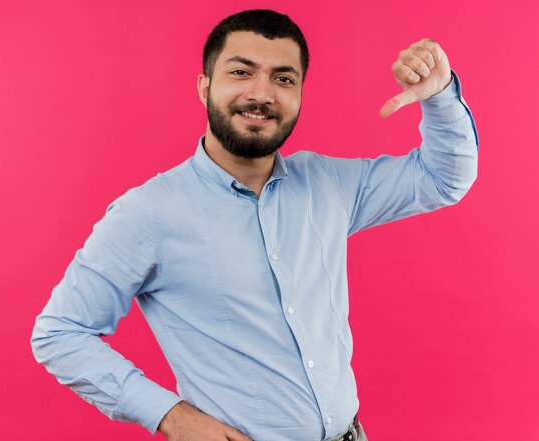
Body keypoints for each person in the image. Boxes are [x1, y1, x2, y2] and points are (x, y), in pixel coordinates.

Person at [31, 9, 478, 441]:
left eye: (283, 78)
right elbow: (60, 333)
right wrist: (169, 415)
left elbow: (444, 178)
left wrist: (439, 97)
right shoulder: (148, 213)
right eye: (241, 72)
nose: (262, 93)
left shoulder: (328, 184)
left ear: (300, 94)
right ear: (205, 87)